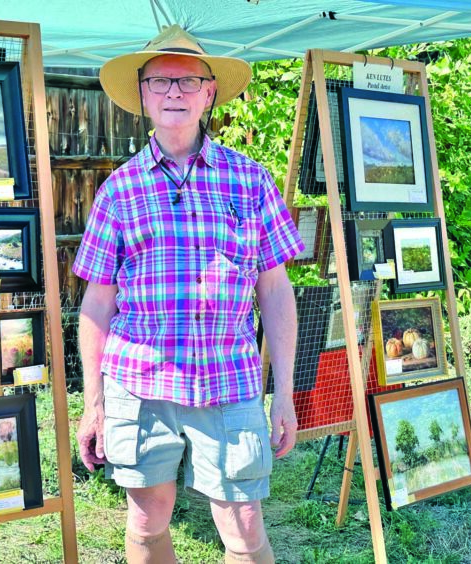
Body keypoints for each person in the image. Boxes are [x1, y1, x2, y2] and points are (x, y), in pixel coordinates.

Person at [73, 24, 305, 564]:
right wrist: (95, 402)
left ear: (209, 93)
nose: (173, 92)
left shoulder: (250, 180)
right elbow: (96, 305)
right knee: (147, 518)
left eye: (187, 81)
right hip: (140, 382)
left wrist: (286, 393)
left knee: (244, 526)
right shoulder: (119, 190)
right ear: (143, 96)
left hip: (229, 379)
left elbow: (275, 291)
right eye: (160, 82)